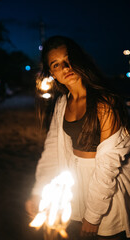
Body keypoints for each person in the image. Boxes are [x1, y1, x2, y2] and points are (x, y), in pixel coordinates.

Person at [25, 36, 130, 240]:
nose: (65, 67)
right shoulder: (62, 104)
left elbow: (107, 167)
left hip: (105, 195)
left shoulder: (104, 103)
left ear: (79, 59)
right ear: (52, 73)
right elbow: (52, 150)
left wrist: (93, 216)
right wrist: (38, 191)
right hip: (74, 192)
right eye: (56, 65)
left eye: (68, 59)